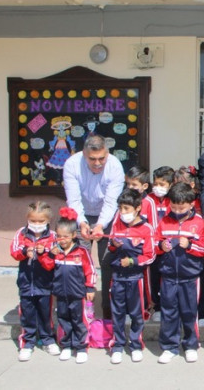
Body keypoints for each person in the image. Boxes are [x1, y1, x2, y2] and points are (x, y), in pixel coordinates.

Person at [62, 134, 124, 319]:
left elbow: (112, 202)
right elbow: (73, 199)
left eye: (101, 158)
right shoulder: (72, 164)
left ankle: (107, 309)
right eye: (92, 159)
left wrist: (100, 225)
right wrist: (81, 222)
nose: (97, 163)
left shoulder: (115, 166)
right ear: (84, 154)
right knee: (79, 262)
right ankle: (79, 309)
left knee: (107, 262)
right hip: (80, 215)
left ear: (107, 153)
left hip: (107, 216)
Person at [155, 183, 204, 364]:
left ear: (191, 204)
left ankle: (191, 345)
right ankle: (170, 346)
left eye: (182, 207)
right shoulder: (164, 221)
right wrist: (160, 247)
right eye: (174, 207)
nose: (177, 211)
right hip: (169, 275)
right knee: (169, 312)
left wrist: (191, 245)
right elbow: (154, 242)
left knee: (189, 312)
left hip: (190, 277)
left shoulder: (199, 222)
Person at [38, 207, 97, 364]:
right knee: (64, 319)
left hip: (78, 294)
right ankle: (66, 346)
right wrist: (49, 254)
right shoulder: (55, 251)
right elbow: (47, 265)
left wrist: (90, 287)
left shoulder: (81, 252)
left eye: (65, 236)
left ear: (73, 236)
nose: (61, 239)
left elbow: (90, 270)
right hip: (60, 293)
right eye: (58, 236)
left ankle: (82, 347)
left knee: (79, 321)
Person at [107, 189, 156, 364]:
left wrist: (133, 261)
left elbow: (150, 255)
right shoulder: (116, 224)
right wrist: (113, 245)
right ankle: (118, 345)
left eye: (127, 208)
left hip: (136, 278)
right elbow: (110, 246)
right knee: (117, 312)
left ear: (137, 208)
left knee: (137, 313)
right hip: (117, 277)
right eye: (121, 208)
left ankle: (136, 344)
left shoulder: (146, 228)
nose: (123, 213)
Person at [10, 201, 58, 361]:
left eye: (41, 221)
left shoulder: (53, 236)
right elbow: (14, 251)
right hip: (26, 282)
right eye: (33, 221)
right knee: (27, 314)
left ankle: (48, 339)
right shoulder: (21, 233)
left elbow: (55, 257)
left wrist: (44, 252)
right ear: (27, 218)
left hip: (45, 283)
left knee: (45, 313)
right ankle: (27, 343)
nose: (37, 224)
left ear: (48, 220)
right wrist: (25, 251)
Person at [173, 165, 204, 327]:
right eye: (175, 184)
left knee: (202, 281)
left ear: (193, 185)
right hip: (178, 253)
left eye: (180, 183)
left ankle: (203, 311)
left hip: (199, 249)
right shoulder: (173, 202)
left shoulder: (203, 202)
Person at [125, 165, 158, 322]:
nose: (130, 188)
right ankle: (127, 310)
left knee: (146, 280)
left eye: (134, 185)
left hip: (143, 249)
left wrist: (152, 245)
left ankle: (146, 307)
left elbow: (154, 226)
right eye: (128, 184)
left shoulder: (149, 202)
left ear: (144, 186)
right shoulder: (125, 199)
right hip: (127, 248)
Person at [148, 165, 174, 322]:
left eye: (162, 184)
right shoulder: (148, 199)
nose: (158, 188)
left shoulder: (173, 200)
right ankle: (156, 306)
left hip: (169, 244)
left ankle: (167, 306)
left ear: (170, 185)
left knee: (168, 277)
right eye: (156, 184)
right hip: (153, 245)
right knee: (154, 277)